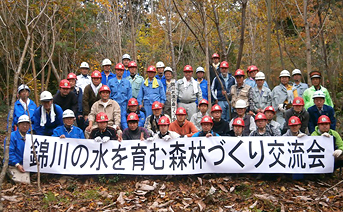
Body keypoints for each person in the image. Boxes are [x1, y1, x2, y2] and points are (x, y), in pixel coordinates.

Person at [6, 115, 31, 183]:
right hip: (14, 165)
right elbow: (9, 153)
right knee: (24, 182)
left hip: (27, 165)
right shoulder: (12, 136)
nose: (25, 126)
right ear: (18, 125)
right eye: (22, 124)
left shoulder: (30, 137)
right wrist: (17, 164)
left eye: (27, 124)